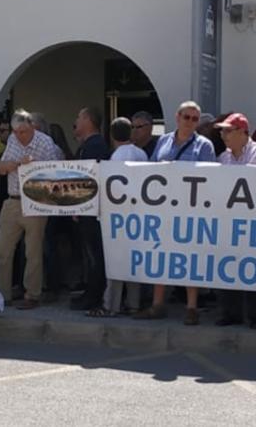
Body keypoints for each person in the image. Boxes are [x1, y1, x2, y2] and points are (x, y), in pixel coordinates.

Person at [136, 101, 216, 324]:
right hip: (163, 209)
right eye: (186, 117)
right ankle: (157, 304)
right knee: (161, 254)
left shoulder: (205, 145)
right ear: (177, 116)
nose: (190, 122)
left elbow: (210, 177)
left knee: (189, 257)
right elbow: (152, 170)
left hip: (191, 210)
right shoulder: (163, 140)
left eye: (195, 119)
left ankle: (192, 307)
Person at [214, 113, 256, 330]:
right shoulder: (223, 158)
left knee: (254, 269)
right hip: (229, 223)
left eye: (227, 130)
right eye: (221, 131)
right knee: (228, 267)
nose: (223, 135)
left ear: (242, 132)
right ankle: (231, 313)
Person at [0, 109, 62, 310]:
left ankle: (32, 294)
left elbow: (55, 171)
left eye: (23, 131)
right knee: (3, 250)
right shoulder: (13, 141)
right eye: (15, 131)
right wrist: (17, 164)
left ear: (32, 127)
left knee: (33, 251)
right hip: (12, 200)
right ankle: (3, 294)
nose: (18, 135)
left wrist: (35, 168)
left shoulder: (44, 142)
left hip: (36, 200)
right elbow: (0, 168)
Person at [96, 118, 147, 316]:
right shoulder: (142, 154)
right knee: (134, 260)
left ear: (111, 135)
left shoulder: (115, 157)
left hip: (119, 215)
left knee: (115, 260)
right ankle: (133, 303)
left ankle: (111, 305)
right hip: (139, 213)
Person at [69, 108, 110, 312]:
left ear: (87, 120)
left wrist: (81, 204)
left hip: (92, 210)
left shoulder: (95, 146)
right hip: (86, 208)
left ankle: (94, 296)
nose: (76, 121)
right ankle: (89, 292)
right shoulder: (88, 145)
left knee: (95, 254)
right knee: (89, 253)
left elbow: (89, 178)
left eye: (78, 117)